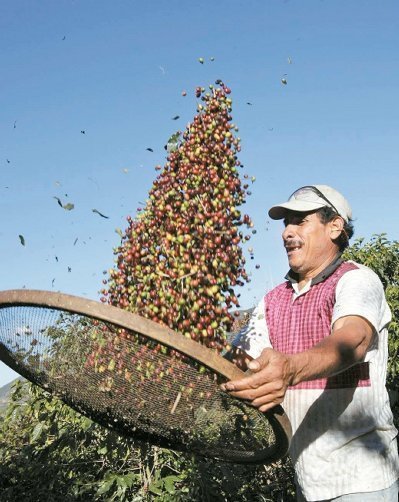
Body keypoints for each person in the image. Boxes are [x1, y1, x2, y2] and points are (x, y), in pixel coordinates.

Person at [222, 185, 399, 501]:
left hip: (363, 482)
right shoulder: (271, 300)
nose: (287, 233)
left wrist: (289, 369)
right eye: (286, 223)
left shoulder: (356, 280)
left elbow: (352, 340)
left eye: (300, 221)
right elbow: (241, 355)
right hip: (307, 481)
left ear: (335, 227)